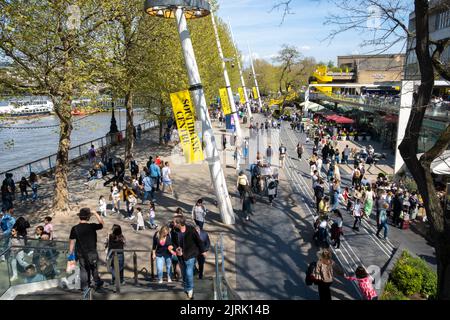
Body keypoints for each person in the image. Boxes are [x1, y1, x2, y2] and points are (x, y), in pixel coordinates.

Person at [69, 208, 104, 296]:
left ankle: (85, 288)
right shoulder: (92, 226)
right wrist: (95, 213)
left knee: (83, 270)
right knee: (94, 268)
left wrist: (71, 252)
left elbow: (72, 241)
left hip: (80, 253)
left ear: (80, 217)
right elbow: (101, 224)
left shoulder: (75, 228)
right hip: (92, 252)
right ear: (88, 217)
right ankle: (97, 282)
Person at [172, 215, 207, 299]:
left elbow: (198, 240)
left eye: (174, 222)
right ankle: (186, 285)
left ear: (179, 223)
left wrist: (203, 251)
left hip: (190, 254)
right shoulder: (174, 231)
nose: (172, 223)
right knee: (184, 272)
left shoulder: (191, 230)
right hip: (180, 255)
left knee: (189, 271)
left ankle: (190, 288)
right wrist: (177, 249)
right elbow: (173, 242)